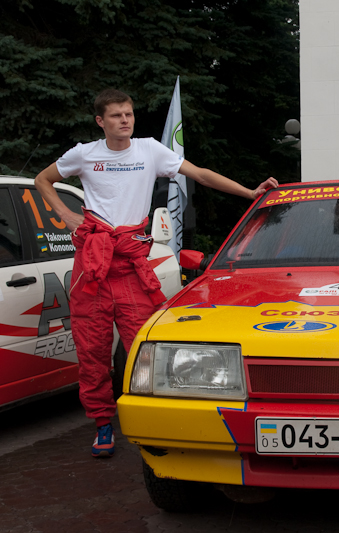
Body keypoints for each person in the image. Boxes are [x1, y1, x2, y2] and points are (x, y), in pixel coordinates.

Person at [35, 89, 278, 458]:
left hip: (132, 265)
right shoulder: (84, 154)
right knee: (93, 353)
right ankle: (103, 424)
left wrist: (249, 192)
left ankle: (152, 422)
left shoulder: (150, 149)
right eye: (116, 116)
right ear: (101, 121)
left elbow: (199, 173)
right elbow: (42, 180)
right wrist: (66, 216)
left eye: (129, 114)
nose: (125, 120)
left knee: (148, 350)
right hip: (94, 266)